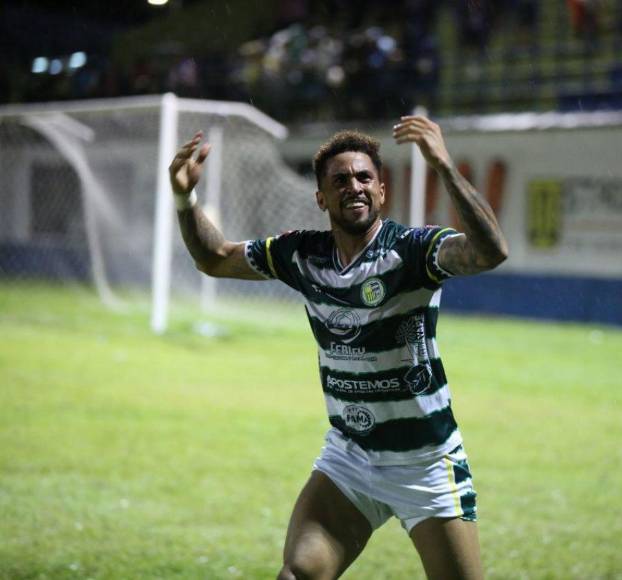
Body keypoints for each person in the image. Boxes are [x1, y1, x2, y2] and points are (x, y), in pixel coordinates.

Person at [169, 115, 509, 579]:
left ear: (382, 191)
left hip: (425, 463)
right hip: (351, 457)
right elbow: (214, 258)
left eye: (365, 177)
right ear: (321, 197)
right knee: (298, 575)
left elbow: (490, 251)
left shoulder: (412, 251)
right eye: (341, 180)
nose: (355, 186)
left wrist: (444, 165)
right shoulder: (300, 254)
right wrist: (185, 197)